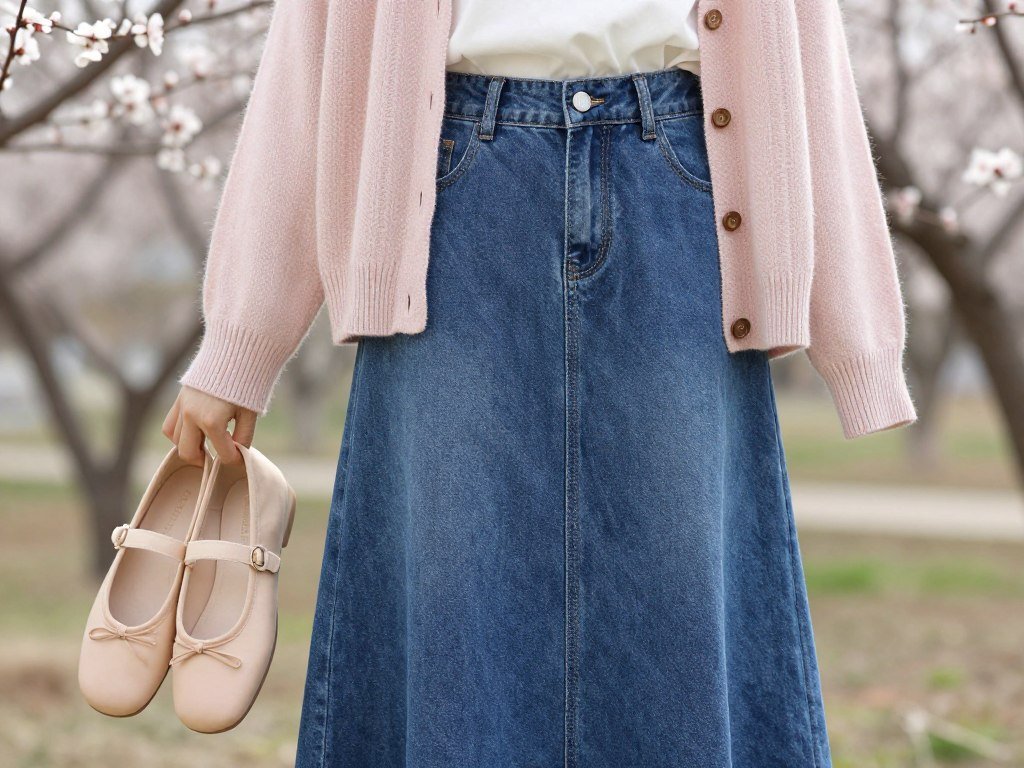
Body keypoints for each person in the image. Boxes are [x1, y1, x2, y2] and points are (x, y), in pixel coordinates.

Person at [164, 1, 917, 765]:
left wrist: (861, 343)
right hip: (447, 190)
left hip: (682, 180)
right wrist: (240, 342)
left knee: (681, 601)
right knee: (452, 595)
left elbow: (805, 53)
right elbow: (311, 53)